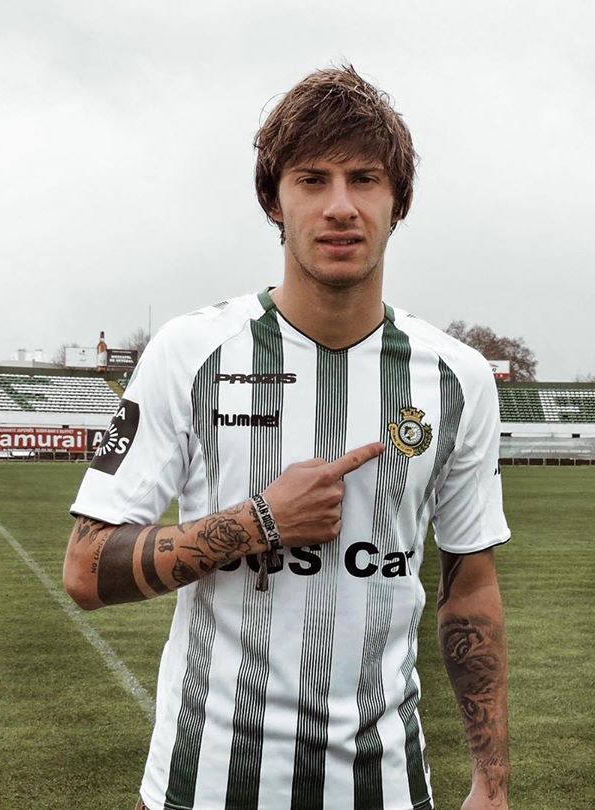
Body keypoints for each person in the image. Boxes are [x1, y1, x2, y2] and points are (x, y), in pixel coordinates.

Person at [64, 65, 511, 810]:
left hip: (384, 786)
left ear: (398, 201)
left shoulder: (456, 378)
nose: (340, 206)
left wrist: (492, 783)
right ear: (274, 199)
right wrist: (260, 521)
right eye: (312, 180)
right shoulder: (190, 352)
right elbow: (85, 569)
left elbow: (471, 587)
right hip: (203, 785)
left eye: (364, 179)